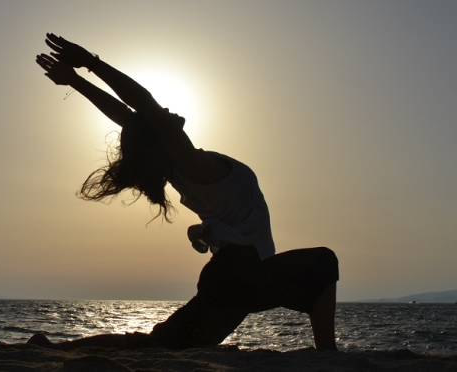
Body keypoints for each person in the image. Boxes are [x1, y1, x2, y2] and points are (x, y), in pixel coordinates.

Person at [33, 33, 339, 351]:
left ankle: (53, 349)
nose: (166, 111)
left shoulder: (179, 168)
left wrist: (75, 81)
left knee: (162, 345)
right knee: (323, 263)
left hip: (234, 278)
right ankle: (327, 354)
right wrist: (91, 63)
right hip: (242, 273)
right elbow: (143, 106)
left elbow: (129, 117)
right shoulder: (191, 166)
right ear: (161, 138)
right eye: (161, 118)